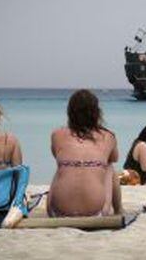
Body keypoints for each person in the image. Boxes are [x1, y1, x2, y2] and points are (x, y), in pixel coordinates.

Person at [47, 89, 123, 217]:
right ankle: (119, 210)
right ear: (96, 112)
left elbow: (56, 155)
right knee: (109, 166)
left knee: (63, 166)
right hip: (96, 212)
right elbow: (114, 158)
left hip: (57, 212)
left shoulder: (57, 135)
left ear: (70, 113)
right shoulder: (108, 136)